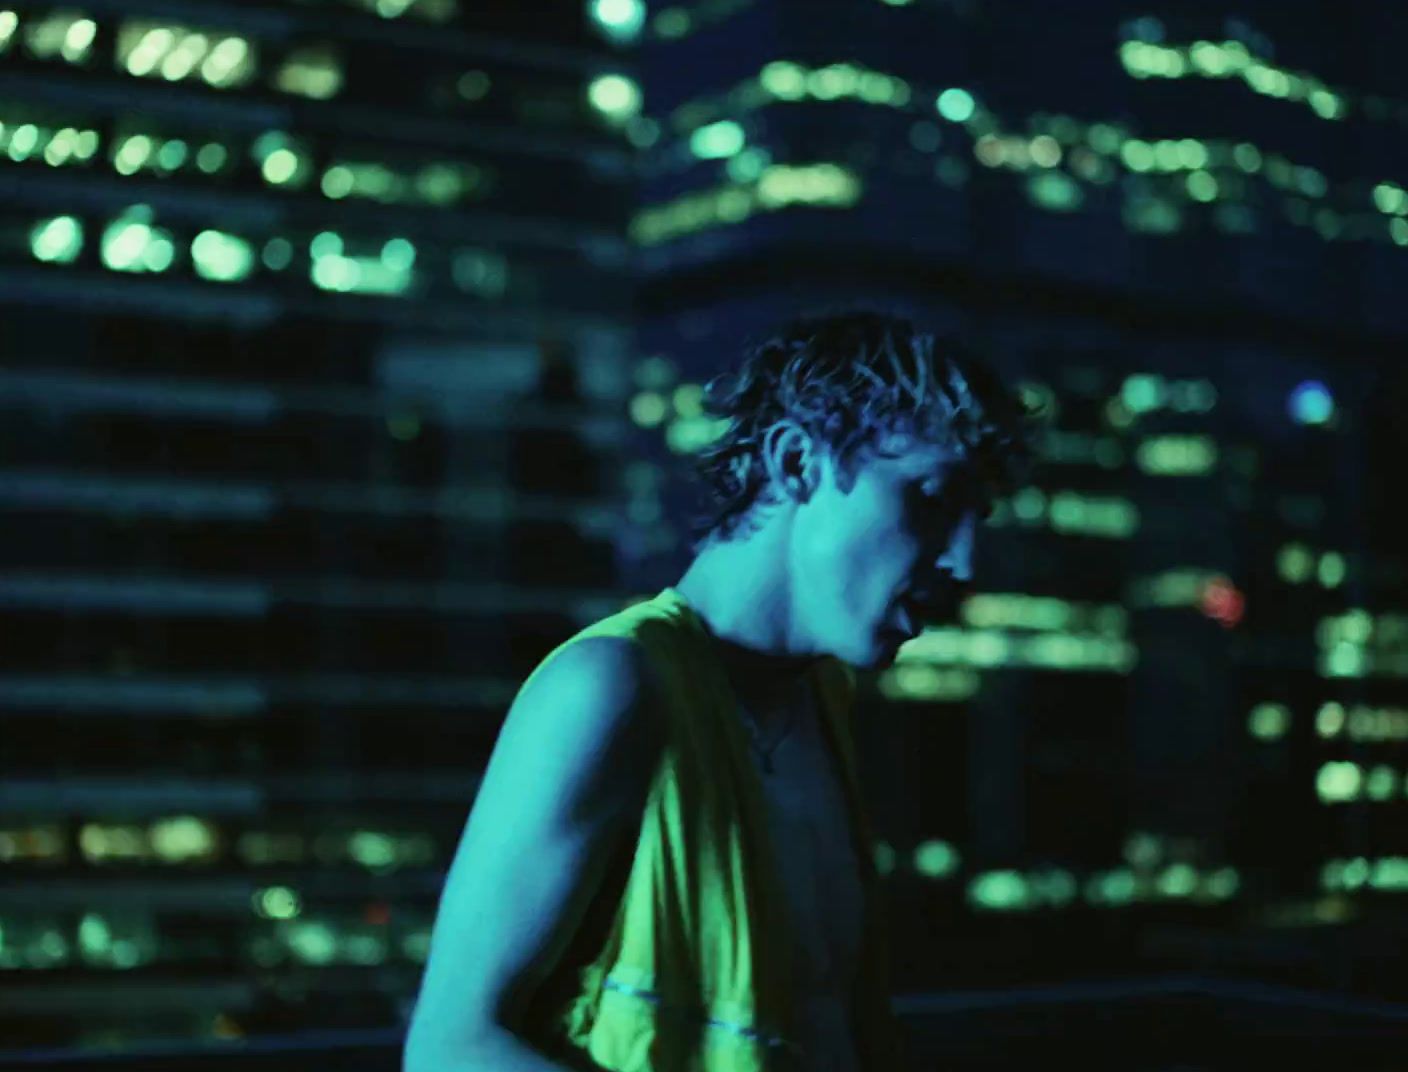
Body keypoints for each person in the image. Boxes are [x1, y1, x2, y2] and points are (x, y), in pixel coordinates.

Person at [403, 307, 1039, 1072]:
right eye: (933, 498)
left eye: (979, 517)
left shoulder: (823, 705)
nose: (965, 562)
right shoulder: (610, 686)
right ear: (797, 462)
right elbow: (449, 1049)